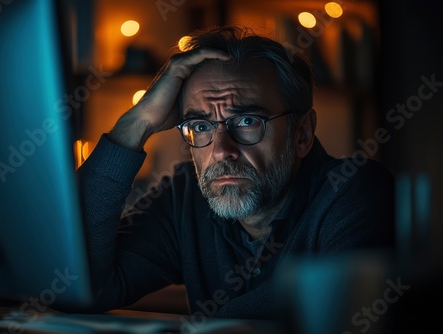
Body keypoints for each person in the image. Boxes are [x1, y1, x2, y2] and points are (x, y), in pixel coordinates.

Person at [77, 26, 395, 319]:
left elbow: (328, 305)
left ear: (302, 134)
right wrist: (137, 123)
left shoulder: (355, 190)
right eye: (201, 126)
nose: (221, 150)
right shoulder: (184, 196)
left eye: (246, 122)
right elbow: (81, 286)